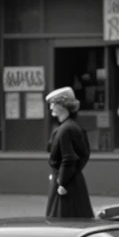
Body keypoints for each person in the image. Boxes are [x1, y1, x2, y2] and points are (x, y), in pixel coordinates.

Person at [44, 86, 94, 219]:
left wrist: (62, 182)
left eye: (54, 103)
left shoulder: (65, 129)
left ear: (63, 105)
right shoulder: (72, 127)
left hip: (66, 186)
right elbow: (82, 156)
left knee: (62, 221)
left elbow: (69, 158)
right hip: (73, 182)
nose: (51, 107)